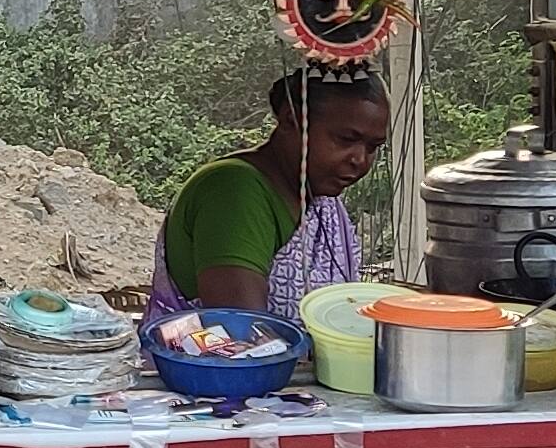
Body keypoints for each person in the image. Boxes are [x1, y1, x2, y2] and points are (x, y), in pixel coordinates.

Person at [153, 70, 393, 321]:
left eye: (372, 147)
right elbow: (244, 332)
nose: (360, 160)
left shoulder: (321, 200)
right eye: (345, 140)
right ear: (292, 120)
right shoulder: (234, 192)